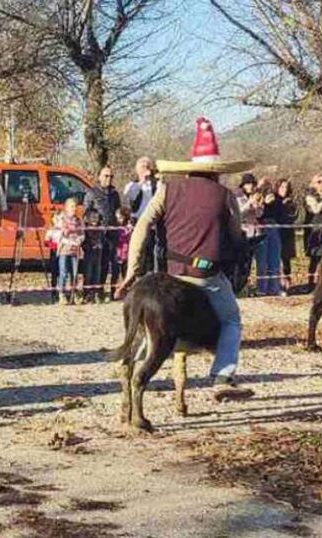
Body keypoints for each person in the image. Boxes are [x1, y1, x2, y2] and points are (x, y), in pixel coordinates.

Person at [116, 116, 253, 394]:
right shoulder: (225, 196)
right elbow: (237, 236)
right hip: (207, 275)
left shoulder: (167, 189)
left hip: (172, 273)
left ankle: (134, 362)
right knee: (231, 320)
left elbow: (142, 225)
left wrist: (132, 268)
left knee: (153, 327)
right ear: (216, 171)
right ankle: (223, 377)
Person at [83, 165, 123, 301]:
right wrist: (95, 220)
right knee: (92, 265)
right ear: (99, 176)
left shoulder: (115, 194)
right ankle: (89, 292)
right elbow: (86, 212)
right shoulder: (92, 193)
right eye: (106, 176)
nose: (108, 179)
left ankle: (101, 291)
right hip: (96, 235)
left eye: (111, 176)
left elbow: (117, 209)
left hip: (112, 233)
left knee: (108, 264)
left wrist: (120, 216)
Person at [124, 157, 162, 274]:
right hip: (138, 223)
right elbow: (131, 197)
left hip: (153, 224)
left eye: (147, 166)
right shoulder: (132, 185)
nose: (145, 169)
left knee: (153, 254)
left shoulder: (156, 185)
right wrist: (141, 181)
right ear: (137, 169)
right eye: (142, 167)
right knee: (139, 253)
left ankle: (152, 276)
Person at [255, 177, 283, 296]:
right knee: (262, 261)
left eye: (268, 186)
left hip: (274, 226)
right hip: (261, 227)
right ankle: (262, 288)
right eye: (262, 186)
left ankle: (274, 287)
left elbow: (279, 212)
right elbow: (257, 214)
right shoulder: (255, 197)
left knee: (274, 259)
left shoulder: (276, 198)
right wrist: (262, 203)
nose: (265, 188)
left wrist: (274, 201)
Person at [55, 197, 84, 305]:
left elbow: (82, 234)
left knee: (75, 273)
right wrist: (66, 240)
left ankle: (73, 293)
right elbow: (58, 234)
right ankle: (61, 293)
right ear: (66, 208)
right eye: (72, 206)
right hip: (64, 250)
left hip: (75, 250)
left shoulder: (79, 220)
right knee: (63, 271)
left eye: (75, 206)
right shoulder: (61, 220)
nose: (74, 208)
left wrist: (79, 240)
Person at [276, 179, 299, 292]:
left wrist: (290, 207)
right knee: (277, 259)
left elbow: (294, 216)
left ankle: (288, 284)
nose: (284, 190)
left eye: (286, 187)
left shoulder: (291, 202)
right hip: (277, 232)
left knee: (286, 259)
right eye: (282, 187)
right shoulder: (275, 201)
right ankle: (279, 284)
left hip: (288, 233)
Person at [115, 207, 133, 281]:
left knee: (125, 270)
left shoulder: (129, 225)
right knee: (116, 271)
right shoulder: (116, 226)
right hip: (118, 250)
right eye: (117, 218)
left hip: (126, 250)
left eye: (120, 218)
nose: (118, 220)